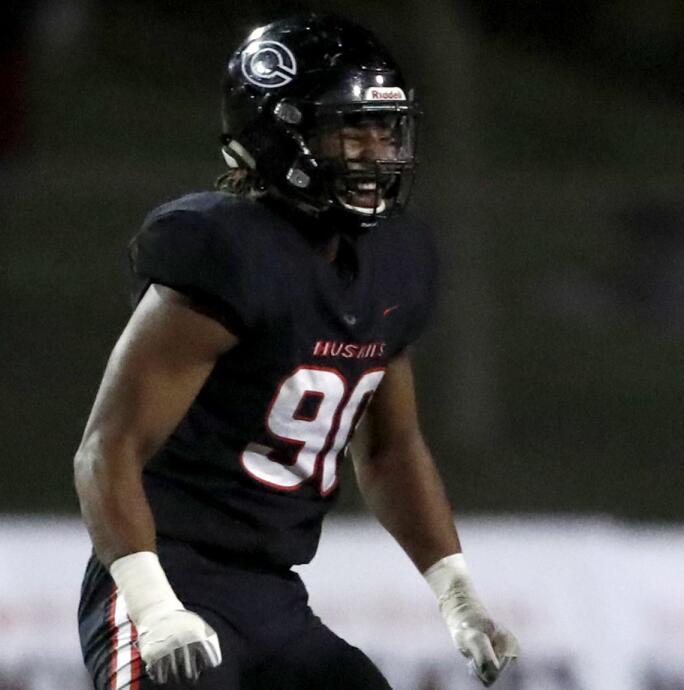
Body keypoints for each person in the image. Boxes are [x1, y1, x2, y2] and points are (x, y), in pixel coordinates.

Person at [73, 14, 518, 689]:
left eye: (384, 129)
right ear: (279, 132)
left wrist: (455, 590)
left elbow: (391, 447)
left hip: (274, 597)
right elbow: (107, 449)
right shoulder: (223, 252)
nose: (375, 151)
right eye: (350, 129)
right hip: (167, 572)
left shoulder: (391, 262)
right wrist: (154, 607)